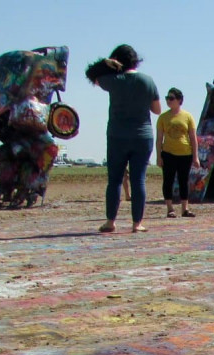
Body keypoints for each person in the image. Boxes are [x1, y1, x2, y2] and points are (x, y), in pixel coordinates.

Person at [87, 44, 161, 234]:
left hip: (117, 135)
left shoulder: (114, 80)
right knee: (139, 180)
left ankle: (110, 221)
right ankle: (137, 223)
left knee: (115, 180)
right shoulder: (148, 81)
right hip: (142, 136)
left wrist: (105, 63)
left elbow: (91, 75)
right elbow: (157, 109)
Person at [156, 87, 199, 218]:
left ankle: (185, 208)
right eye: (167, 98)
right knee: (168, 180)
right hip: (168, 153)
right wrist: (158, 156)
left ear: (179, 100)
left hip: (185, 153)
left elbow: (193, 137)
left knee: (183, 181)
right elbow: (159, 139)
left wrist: (195, 157)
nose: (168, 101)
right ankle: (170, 208)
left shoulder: (187, 116)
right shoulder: (163, 117)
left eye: (171, 98)